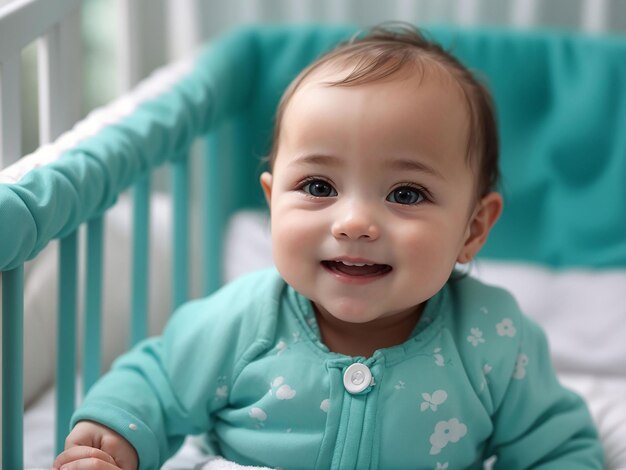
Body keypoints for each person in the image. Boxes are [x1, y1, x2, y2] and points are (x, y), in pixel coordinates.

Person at [54, 24, 603, 470]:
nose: (355, 222)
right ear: (272, 204)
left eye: (406, 193)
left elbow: (558, 446)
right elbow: (157, 381)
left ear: (473, 230)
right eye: (318, 187)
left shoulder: (492, 338)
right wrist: (110, 443)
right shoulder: (243, 322)